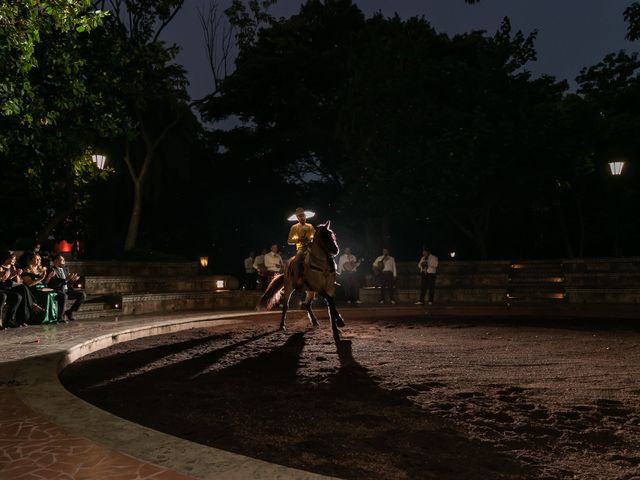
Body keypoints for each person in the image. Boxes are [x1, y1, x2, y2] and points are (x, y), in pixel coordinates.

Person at [21, 252, 65, 324]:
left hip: (43, 288)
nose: (39, 261)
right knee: (48, 295)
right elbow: (29, 284)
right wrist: (40, 279)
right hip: (33, 290)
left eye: (39, 259)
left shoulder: (40, 270)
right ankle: (45, 318)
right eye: (37, 259)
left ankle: (58, 317)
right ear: (30, 260)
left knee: (61, 294)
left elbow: (45, 283)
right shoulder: (27, 270)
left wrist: (49, 277)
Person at [0, 249, 40, 327]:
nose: (14, 260)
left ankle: (17, 319)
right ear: (6, 258)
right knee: (18, 295)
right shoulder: (1, 267)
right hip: (3, 288)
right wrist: (12, 275)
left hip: (9, 288)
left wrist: (17, 274)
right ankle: (33, 304)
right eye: (12, 258)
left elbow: (18, 281)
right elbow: (2, 281)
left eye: (15, 259)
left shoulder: (13, 267)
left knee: (22, 288)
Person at [47, 253, 86, 321]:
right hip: (58, 290)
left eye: (64, 260)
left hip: (67, 290)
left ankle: (70, 311)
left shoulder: (65, 270)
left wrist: (73, 280)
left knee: (82, 295)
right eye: (62, 260)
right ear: (55, 261)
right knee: (64, 296)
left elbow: (68, 283)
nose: (64, 262)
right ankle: (60, 317)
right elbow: (54, 284)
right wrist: (66, 279)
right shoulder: (52, 270)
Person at [288, 207, 316, 286]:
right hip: (301, 248)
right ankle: (295, 280)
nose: (302, 217)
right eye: (300, 216)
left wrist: (310, 240)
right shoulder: (294, 227)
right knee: (297, 260)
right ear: (297, 218)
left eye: (303, 215)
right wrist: (299, 240)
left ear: (305, 216)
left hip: (311, 247)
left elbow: (315, 237)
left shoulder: (310, 226)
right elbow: (289, 241)